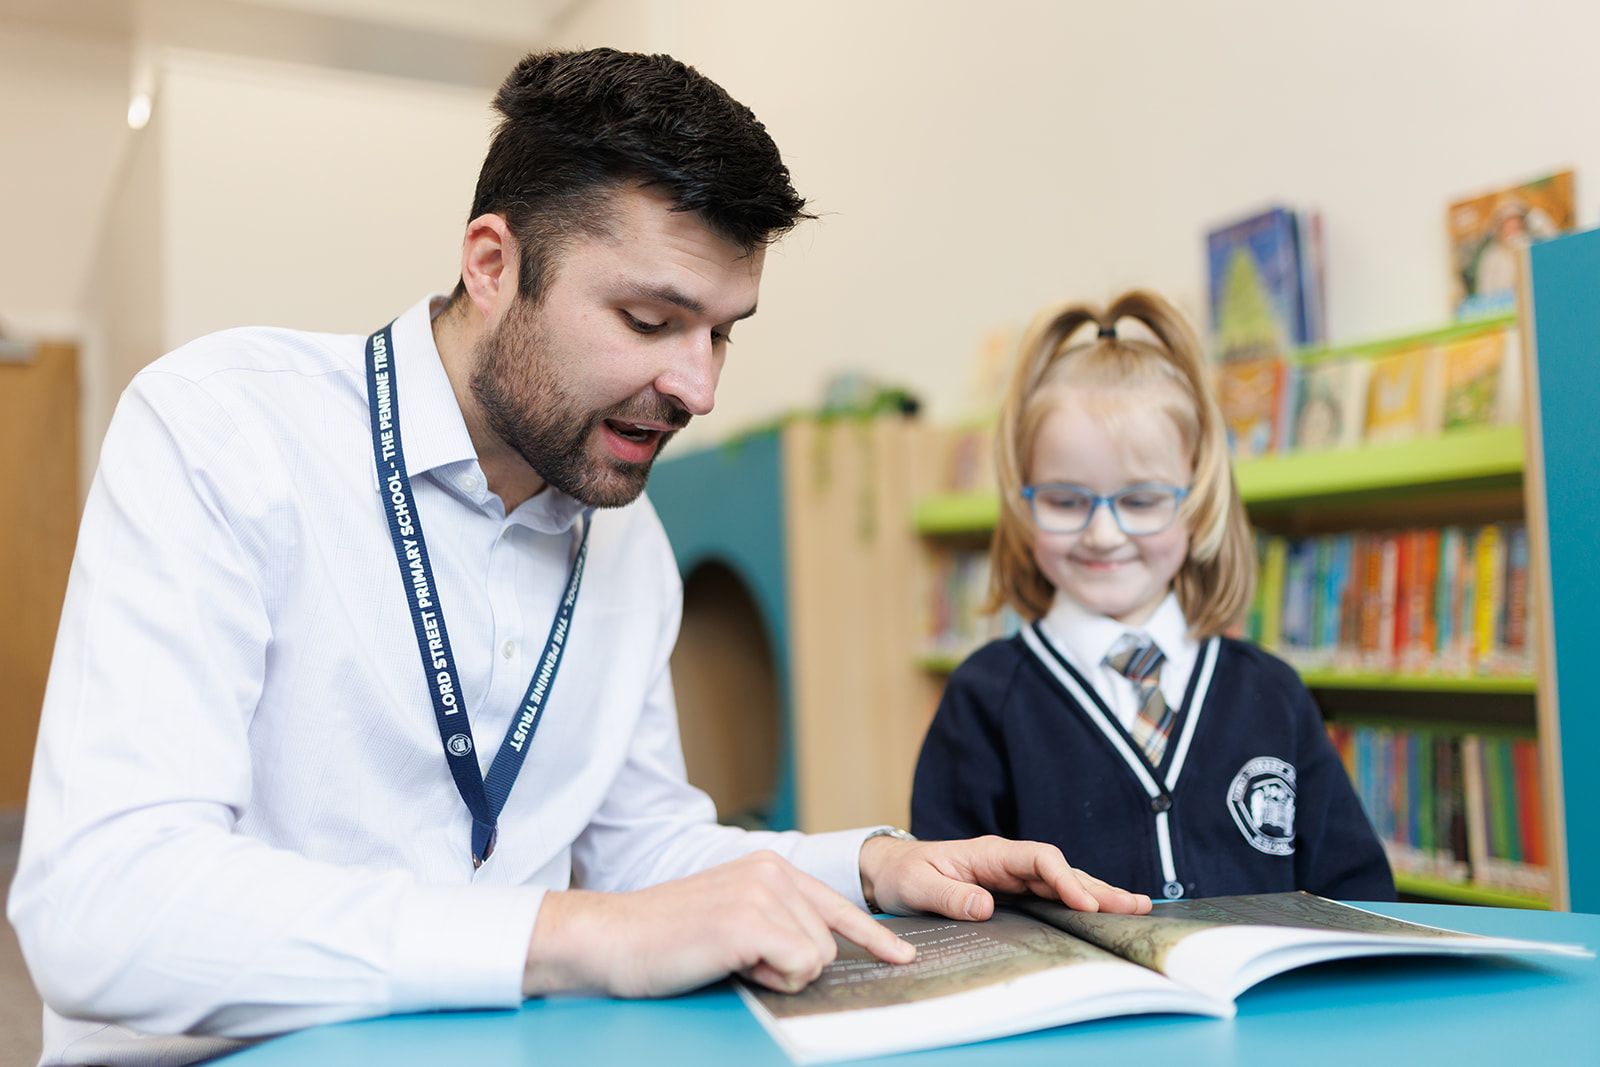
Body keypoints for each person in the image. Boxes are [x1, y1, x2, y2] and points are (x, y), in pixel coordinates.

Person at [7, 48, 1149, 1067]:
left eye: (722, 333)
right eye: (652, 323)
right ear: (493, 263)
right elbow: (102, 908)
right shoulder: (224, 429)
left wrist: (872, 863)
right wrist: (578, 932)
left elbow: (635, 843)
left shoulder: (628, 538)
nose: (698, 388)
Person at [910, 290, 1394, 904]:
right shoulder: (984, 700)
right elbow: (950, 907)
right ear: (1023, 499)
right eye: (1065, 500)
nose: (1103, 533)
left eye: (1140, 501)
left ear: (1197, 499)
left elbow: (1357, 894)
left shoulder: (1273, 694)